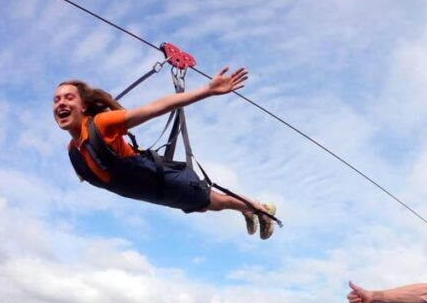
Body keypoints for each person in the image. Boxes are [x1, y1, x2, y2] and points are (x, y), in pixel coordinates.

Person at [54, 66, 276, 239]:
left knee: (212, 202)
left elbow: (154, 108)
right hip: (148, 192)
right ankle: (248, 208)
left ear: (83, 106)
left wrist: (208, 90)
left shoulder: (100, 124)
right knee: (206, 205)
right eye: (57, 100)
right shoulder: (73, 151)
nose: (61, 103)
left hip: (157, 179)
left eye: (68, 97)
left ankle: (261, 209)